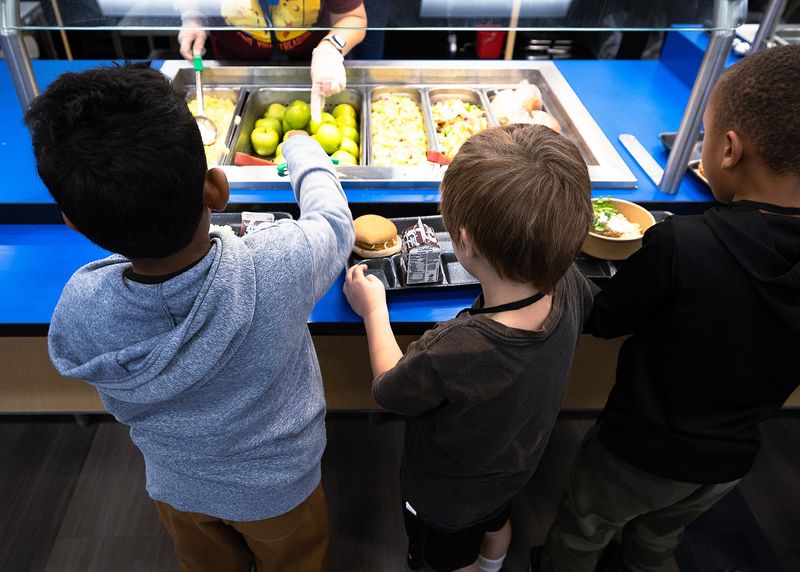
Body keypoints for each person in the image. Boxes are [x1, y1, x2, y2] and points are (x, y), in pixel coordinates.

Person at [24, 62, 354, 571]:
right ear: (216, 191)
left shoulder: (81, 304)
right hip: (281, 485)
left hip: (178, 484)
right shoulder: (278, 261)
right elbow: (333, 222)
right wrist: (301, 149)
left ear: (71, 222)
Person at [535, 45, 800, 572]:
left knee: (584, 528)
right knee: (662, 536)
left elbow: (606, 319)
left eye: (701, 133)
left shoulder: (684, 243)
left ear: (727, 150)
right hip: (730, 461)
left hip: (637, 451)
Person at [344, 124, 595, 572]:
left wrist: (373, 311)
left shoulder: (456, 348)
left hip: (445, 497)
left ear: (464, 242)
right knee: (496, 523)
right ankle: (492, 565)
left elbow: (387, 390)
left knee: (447, 558)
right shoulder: (572, 284)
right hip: (514, 469)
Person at [177, 0, 367, 118]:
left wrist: (331, 48)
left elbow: (353, 17)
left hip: (317, 71)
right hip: (235, 68)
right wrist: (192, 17)